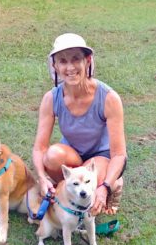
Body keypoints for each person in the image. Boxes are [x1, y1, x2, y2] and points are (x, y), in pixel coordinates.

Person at [32, 33, 127, 216]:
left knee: (93, 182)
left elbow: (119, 154)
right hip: (73, 155)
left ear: (88, 60)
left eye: (76, 59)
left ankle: (113, 182)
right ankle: (69, 195)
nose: (70, 67)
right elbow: (40, 149)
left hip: (101, 156)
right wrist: (42, 178)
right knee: (52, 155)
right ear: (55, 65)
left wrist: (104, 187)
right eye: (63, 61)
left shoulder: (109, 98)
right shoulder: (51, 98)